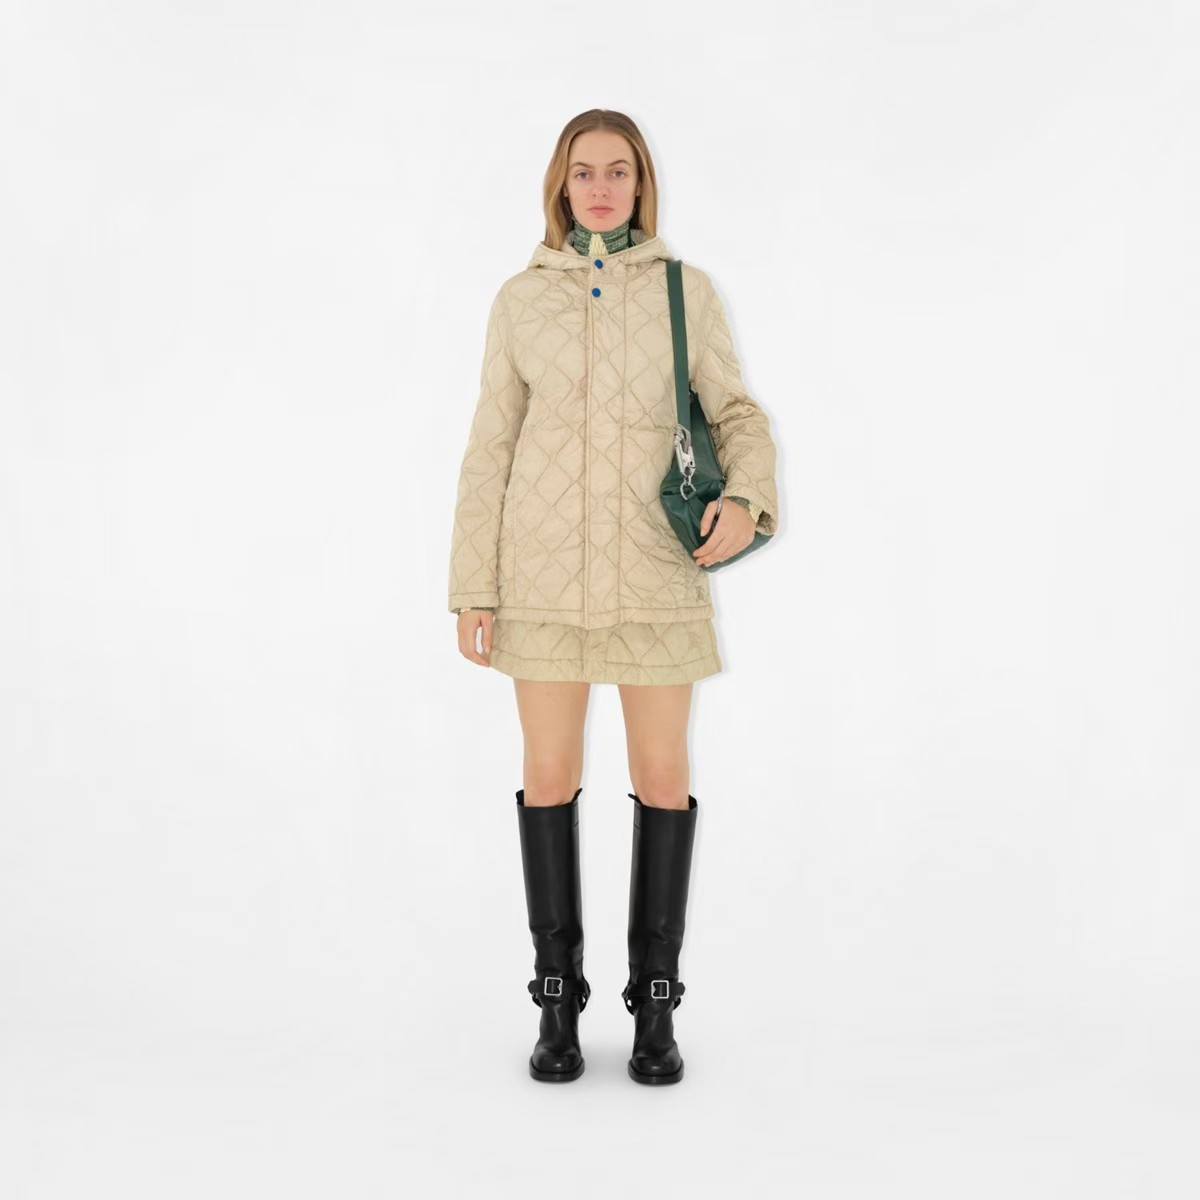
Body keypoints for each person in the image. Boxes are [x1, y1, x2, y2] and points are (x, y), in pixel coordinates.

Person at [446, 109, 780, 1084]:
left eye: (619, 171)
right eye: (584, 171)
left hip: (654, 575)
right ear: (560, 183)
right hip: (542, 576)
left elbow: (736, 415)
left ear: (642, 184)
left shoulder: (685, 292)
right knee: (548, 775)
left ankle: (655, 1005)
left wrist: (747, 500)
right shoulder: (520, 301)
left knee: (662, 777)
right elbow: (491, 445)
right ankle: (557, 1004)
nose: (601, 187)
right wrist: (473, 585)